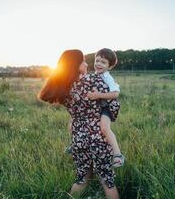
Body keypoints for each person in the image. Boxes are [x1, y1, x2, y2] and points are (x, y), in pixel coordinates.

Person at [39, 49, 119, 198]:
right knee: (107, 180)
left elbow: (73, 111)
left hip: (78, 137)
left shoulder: (64, 87)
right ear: (75, 64)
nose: (86, 63)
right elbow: (113, 104)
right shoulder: (95, 81)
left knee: (82, 178)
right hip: (98, 137)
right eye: (82, 60)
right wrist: (107, 116)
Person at [87, 48, 124, 167]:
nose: (98, 64)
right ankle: (79, 145)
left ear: (110, 66)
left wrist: (98, 95)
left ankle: (117, 154)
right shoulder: (94, 75)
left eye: (103, 62)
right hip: (97, 107)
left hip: (108, 107)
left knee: (104, 128)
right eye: (97, 60)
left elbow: (115, 93)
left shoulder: (107, 77)